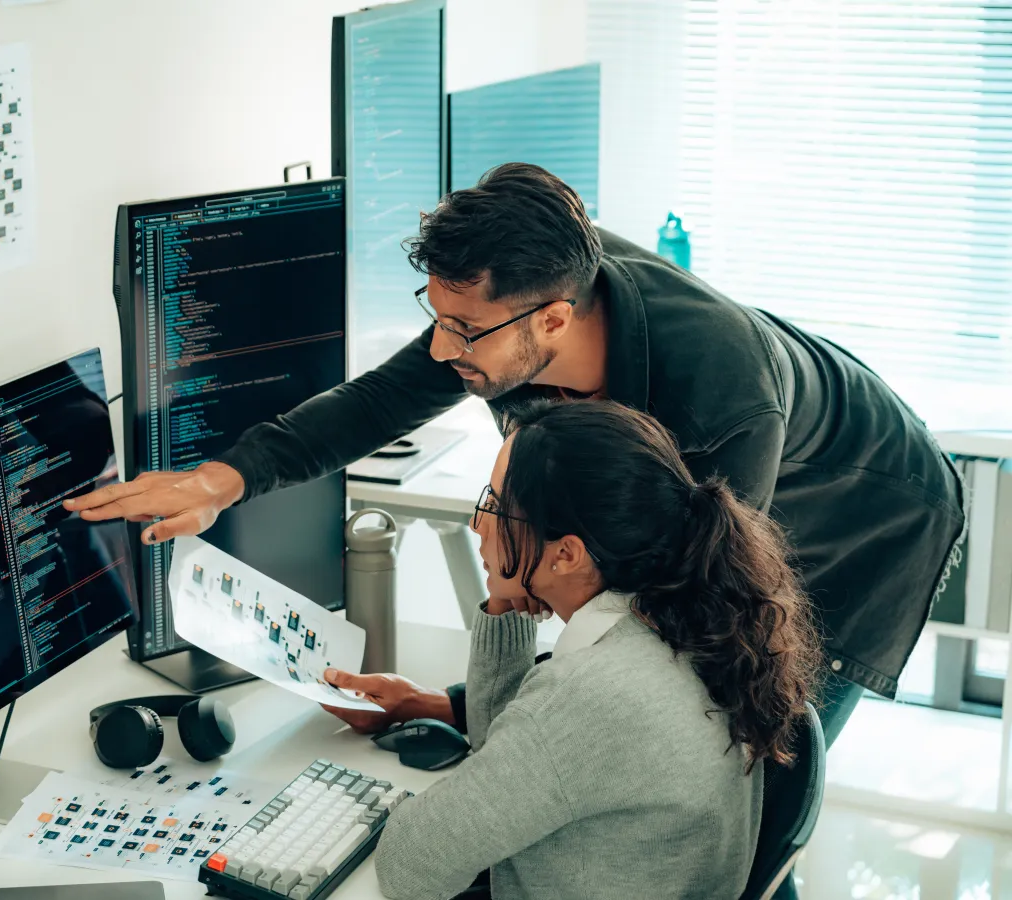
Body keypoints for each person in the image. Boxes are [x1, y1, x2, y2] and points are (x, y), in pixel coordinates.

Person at [66, 163, 964, 750]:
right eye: (436, 315)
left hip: (868, 511)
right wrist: (220, 481)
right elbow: (378, 399)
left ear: (555, 321)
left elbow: (671, 623)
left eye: (462, 329)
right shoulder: (516, 301)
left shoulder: (718, 404)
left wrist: (459, 705)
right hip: (765, 472)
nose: (443, 347)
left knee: (743, 752)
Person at [327, 400, 822, 900]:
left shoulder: (592, 695)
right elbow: (504, 744)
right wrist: (506, 600)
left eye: (495, 506)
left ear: (566, 554)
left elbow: (410, 868)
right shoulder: (690, 623)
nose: (477, 524)